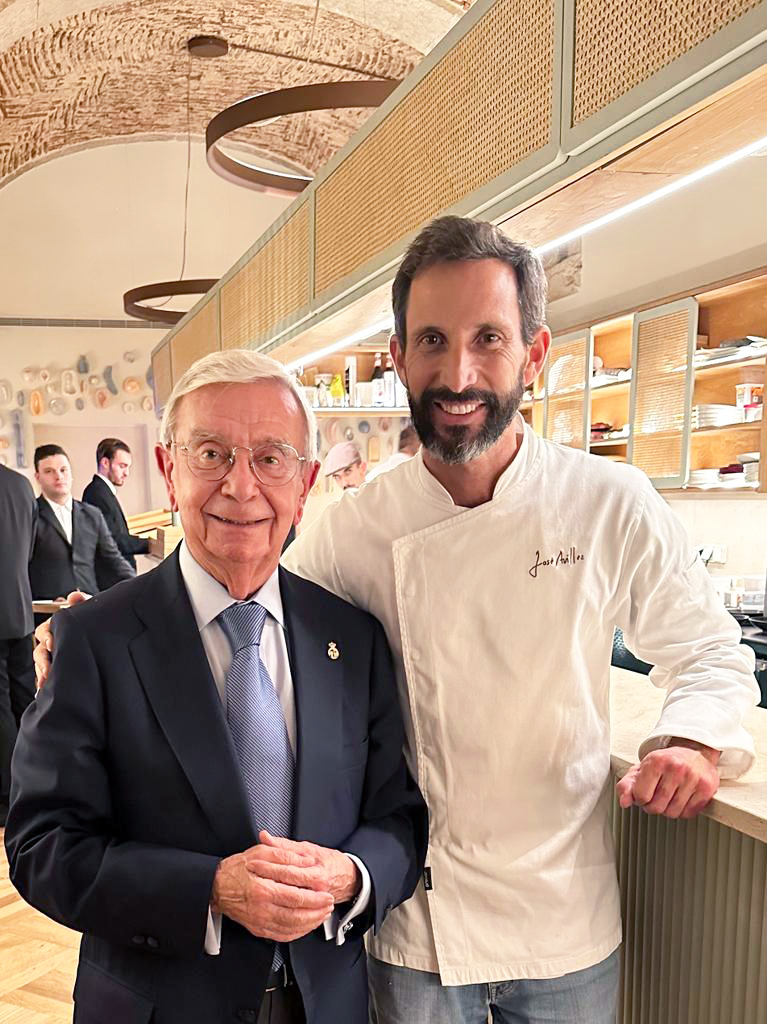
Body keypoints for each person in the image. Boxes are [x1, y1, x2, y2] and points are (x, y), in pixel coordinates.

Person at [278, 216, 760, 1024]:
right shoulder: (350, 531)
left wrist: (692, 740)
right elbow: (266, 654)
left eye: (487, 339)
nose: (456, 372)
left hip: (564, 921)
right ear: (397, 358)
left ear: (532, 356)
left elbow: (709, 652)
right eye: (430, 339)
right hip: (418, 929)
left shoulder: (608, 502)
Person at [7, 351, 427, 1024]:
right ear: (171, 472)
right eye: (211, 454)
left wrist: (352, 877)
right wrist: (208, 889)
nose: (240, 486)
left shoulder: (350, 636)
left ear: (305, 482)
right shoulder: (94, 640)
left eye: (270, 457)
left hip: (327, 1002)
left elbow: (397, 816)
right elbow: (43, 845)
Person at [28, 444, 133, 605]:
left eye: (63, 470)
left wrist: (141, 585)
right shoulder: (29, 516)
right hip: (46, 611)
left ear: (71, 473)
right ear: (37, 477)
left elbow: (114, 559)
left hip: (89, 607)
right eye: (49, 471)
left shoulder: (92, 514)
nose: (59, 476)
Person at [0, 464, 36, 827]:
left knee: (0, 708)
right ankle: (39, 783)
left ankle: (10, 796)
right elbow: (29, 548)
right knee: (26, 700)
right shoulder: (21, 485)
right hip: (20, 609)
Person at [82, 437, 151, 587]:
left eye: (128, 467)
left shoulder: (102, 491)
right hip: (111, 581)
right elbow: (114, 540)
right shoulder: (97, 493)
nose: (126, 473)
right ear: (105, 463)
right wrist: (152, 543)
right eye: (122, 466)